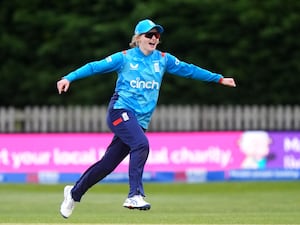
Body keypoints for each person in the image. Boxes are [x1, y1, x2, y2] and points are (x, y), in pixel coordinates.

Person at [57, 18, 236, 218]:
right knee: (141, 144)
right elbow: (94, 67)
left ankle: (73, 193)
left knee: (107, 165)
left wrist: (218, 78)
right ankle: (135, 194)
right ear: (138, 38)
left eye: (156, 35)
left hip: (139, 121)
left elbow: (189, 70)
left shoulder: (163, 59)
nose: (153, 38)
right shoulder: (124, 58)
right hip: (120, 111)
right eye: (149, 35)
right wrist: (68, 78)